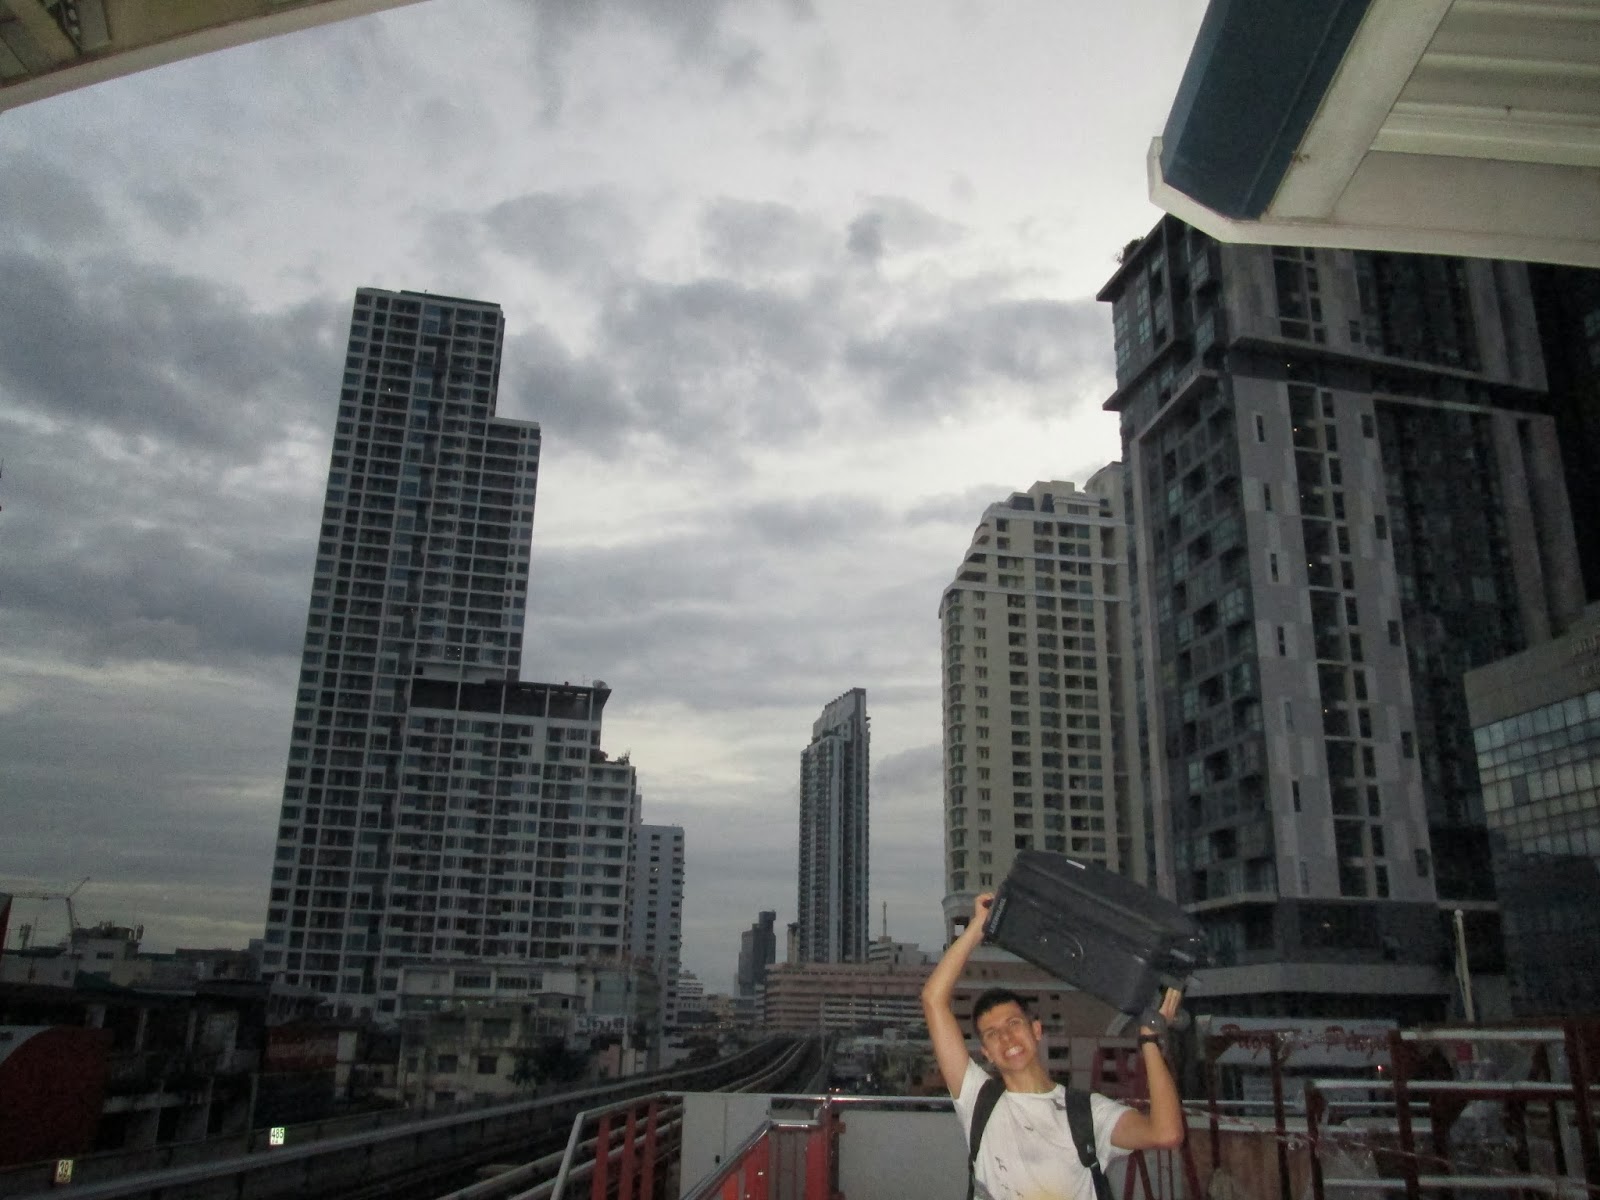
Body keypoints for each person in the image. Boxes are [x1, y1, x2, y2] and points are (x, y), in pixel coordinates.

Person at [920, 893, 1186, 1200]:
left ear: (1036, 1030)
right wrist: (978, 928)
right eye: (992, 1034)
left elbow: (1165, 1133)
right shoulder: (978, 1100)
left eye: (1013, 1024)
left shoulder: (1085, 1113)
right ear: (986, 1053)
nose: (1006, 1038)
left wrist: (1149, 1040)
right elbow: (933, 999)